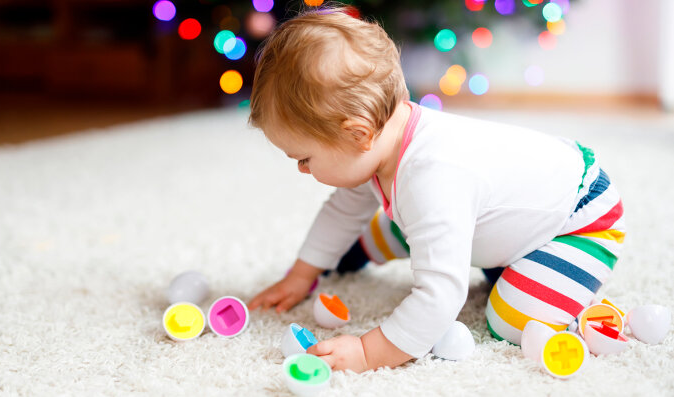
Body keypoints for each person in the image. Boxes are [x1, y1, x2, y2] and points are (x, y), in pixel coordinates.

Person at [247, 8, 626, 373]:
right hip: (501, 212)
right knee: (409, 224)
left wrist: (367, 352)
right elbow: (343, 210)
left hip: (579, 218)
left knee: (513, 320)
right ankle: (486, 259)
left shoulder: (432, 180)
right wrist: (301, 274)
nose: (301, 169)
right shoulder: (384, 141)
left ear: (358, 133)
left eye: (304, 158)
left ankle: (562, 287)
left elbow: (440, 295)